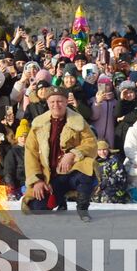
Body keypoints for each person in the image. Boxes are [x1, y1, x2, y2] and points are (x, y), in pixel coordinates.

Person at [23, 89, 98, 218]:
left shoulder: (78, 121)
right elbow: (31, 153)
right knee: (37, 207)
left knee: (87, 169)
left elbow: (91, 143)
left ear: (66, 102)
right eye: (52, 102)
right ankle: (60, 199)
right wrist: (37, 181)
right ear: (47, 103)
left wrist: (73, 154)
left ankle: (82, 208)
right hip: (49, 177)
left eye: (60, 101)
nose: (56, 105)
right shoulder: (38, 124)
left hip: (71, 172)